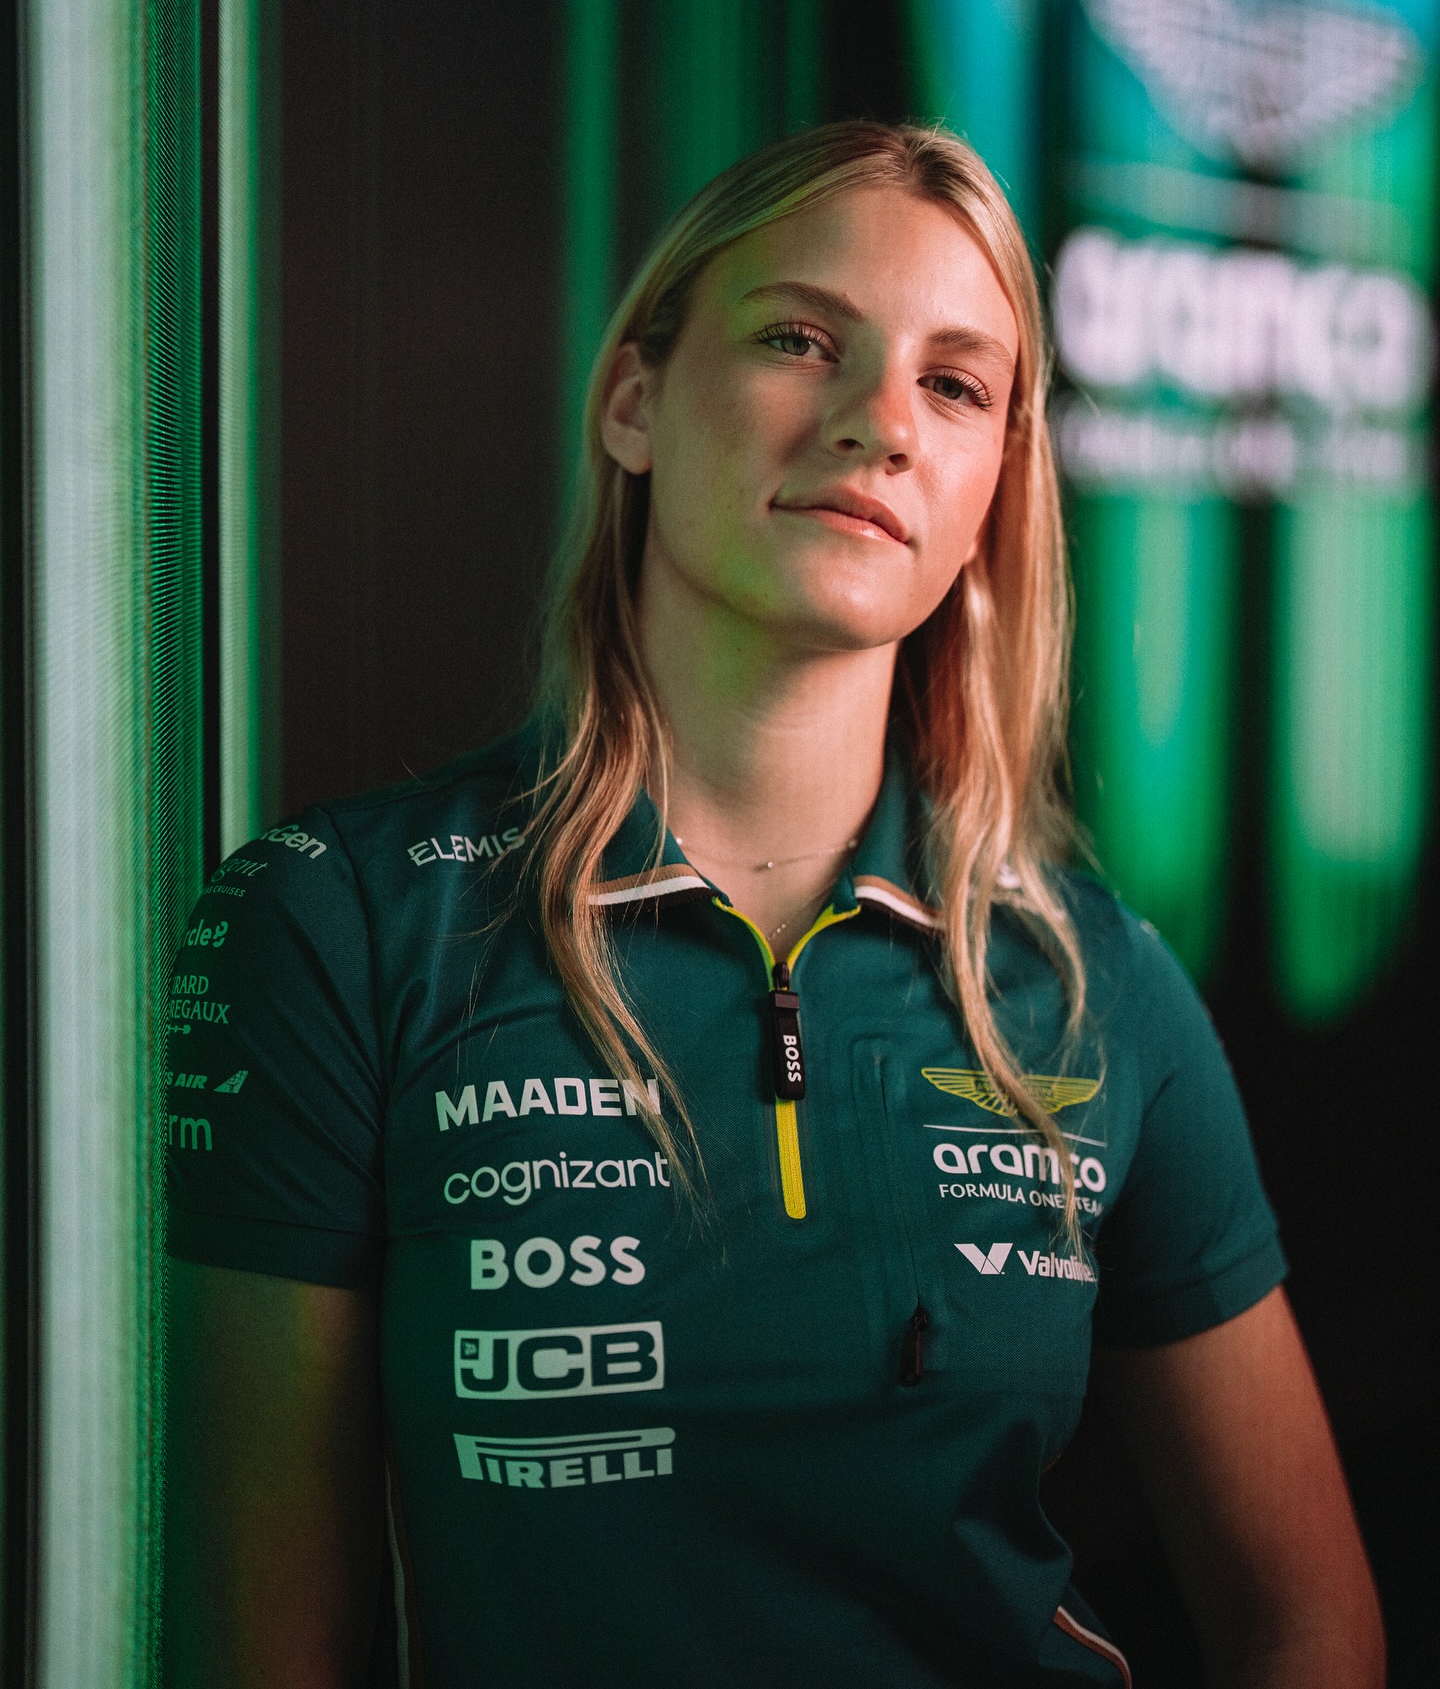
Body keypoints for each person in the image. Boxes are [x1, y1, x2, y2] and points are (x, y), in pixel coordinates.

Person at [163, 121, 1382, 1688]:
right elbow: (260, 1648)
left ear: (991, 490)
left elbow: (1310, 1627)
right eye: (802, 340)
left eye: (956, 385)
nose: (882, 424)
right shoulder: (334, 926)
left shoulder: (1095, 979)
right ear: (634, 401)